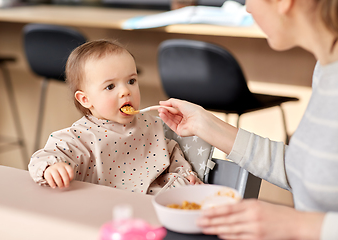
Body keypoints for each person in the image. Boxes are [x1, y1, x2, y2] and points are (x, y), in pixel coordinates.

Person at [158, 0, 338, 239]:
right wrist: (205, 124)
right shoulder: (325, 69)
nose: (248, 8)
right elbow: (306, 171)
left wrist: (297, 225)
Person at [28, 40, 201, 195]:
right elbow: (43, 157)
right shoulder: (80, 137)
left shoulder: (152, 124)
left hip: (156, 200)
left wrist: (185, 174)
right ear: (85, 99)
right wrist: (51, 167)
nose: (126, 91)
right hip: (106, 207)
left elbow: (172, 153)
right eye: (110, 86)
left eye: (131, 81)